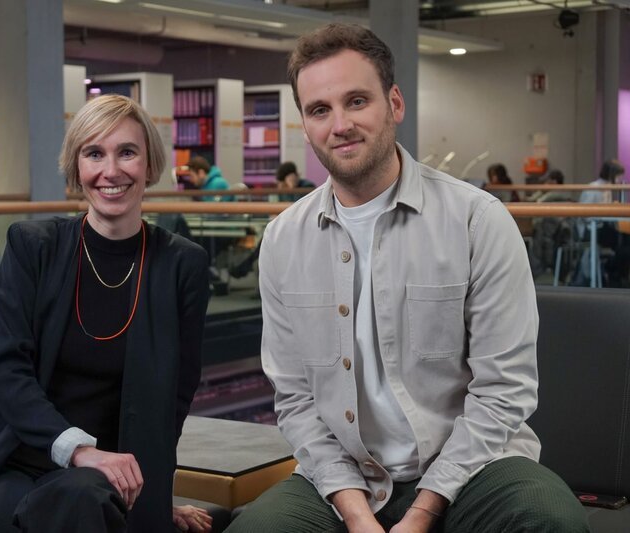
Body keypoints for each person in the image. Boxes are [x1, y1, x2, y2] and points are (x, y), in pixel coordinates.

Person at [228, 23, 588, 533]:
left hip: (476, 470)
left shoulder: (477, 220)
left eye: (357, 101)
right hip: (346, 477)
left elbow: (504, 392)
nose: (340, 125)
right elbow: (295, 401)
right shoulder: (284, 240)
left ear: (394, 103)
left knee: (550, 522)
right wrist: (355, 514)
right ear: (306, 126)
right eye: (320, 110)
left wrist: (423, 511)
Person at [0, 94, 213, 532]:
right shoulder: (33, 247)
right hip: (18, 463)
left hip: (103, 479)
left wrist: (147, 493)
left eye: (127, 152)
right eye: (94, 154)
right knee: (73, 503)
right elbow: (9, 371)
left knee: (84, 501)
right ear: (77, 168)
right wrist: (79, 452)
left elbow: (175, 401)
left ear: (150, 165)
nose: (111, 171)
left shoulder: (182, 264)